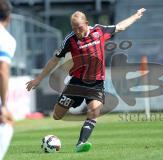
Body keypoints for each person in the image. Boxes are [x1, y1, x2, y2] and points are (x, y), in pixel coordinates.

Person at [26, 8, 146, 152]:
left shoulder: (99, 31)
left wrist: (135, 16)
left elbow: (121, 26)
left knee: (94, 110)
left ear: (87, 23)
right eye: (74, 28)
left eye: (80, 27)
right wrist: (38, 78)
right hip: (77, 83)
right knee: (57, 116)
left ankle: (80, 143)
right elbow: (54, 60)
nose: (77, 31)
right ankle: (69, 101)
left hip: (96, 83)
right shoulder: (70, 40)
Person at [0, 0, 16, 159]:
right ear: (9, 18)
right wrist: (3, 105)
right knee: (6, 124)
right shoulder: (6, 39)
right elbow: (2, 70)